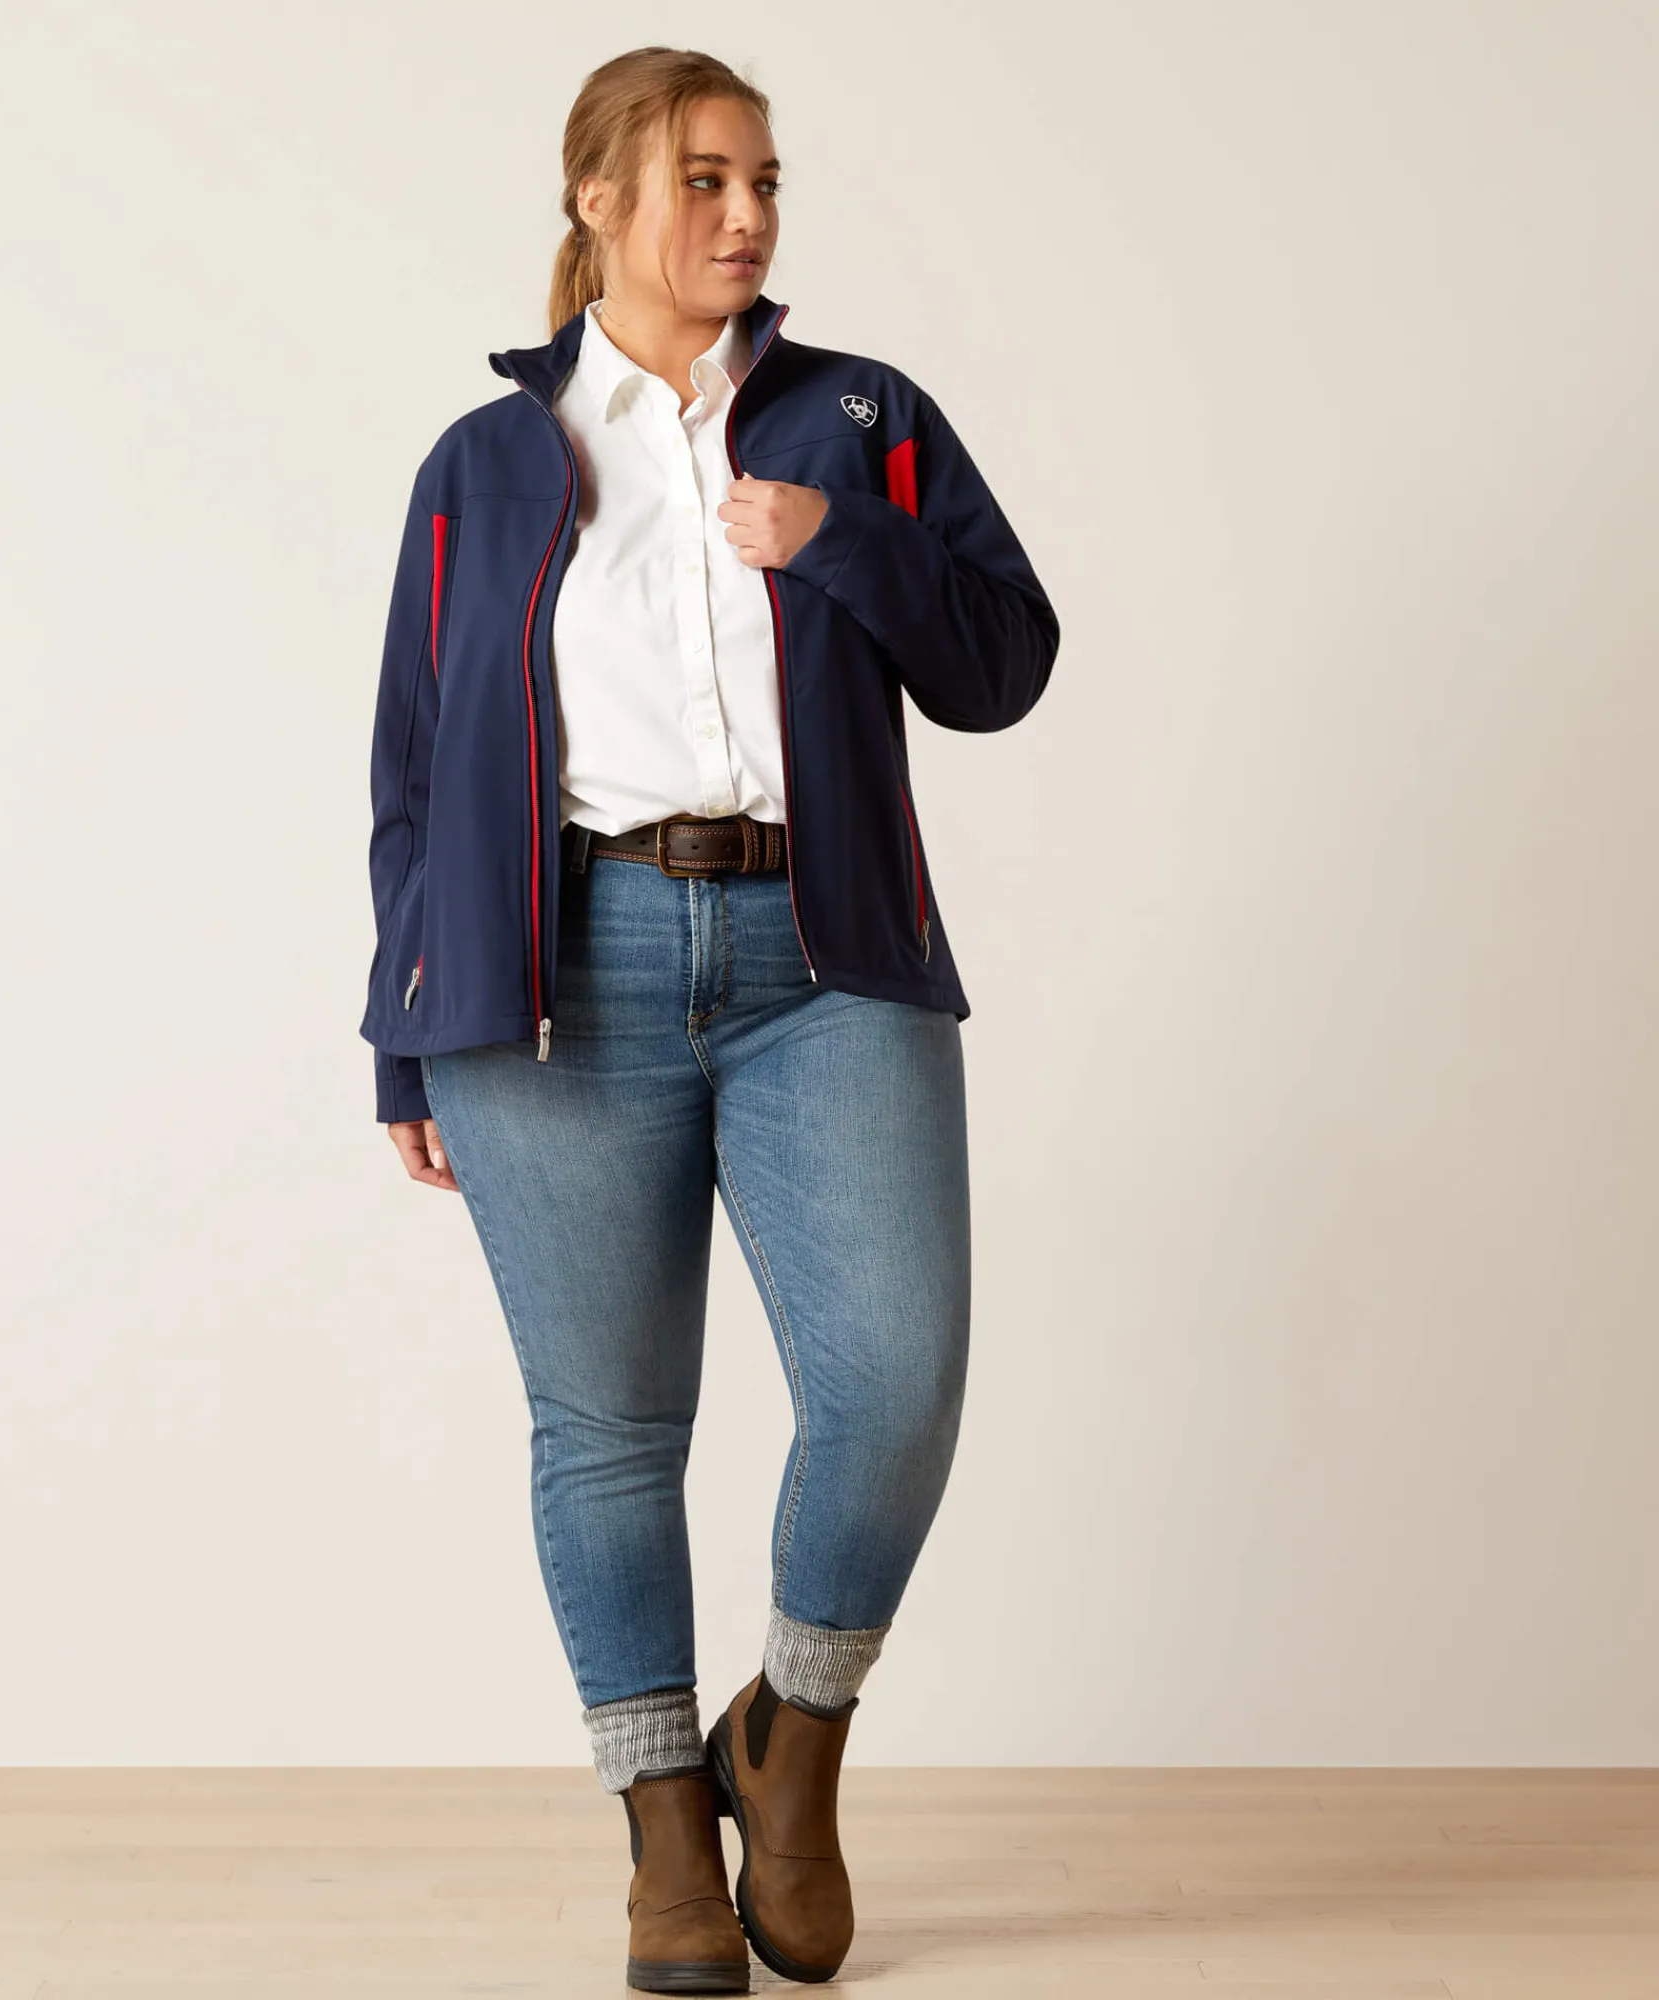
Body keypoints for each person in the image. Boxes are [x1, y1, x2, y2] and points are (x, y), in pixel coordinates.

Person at [359, 44, 1059, 1993]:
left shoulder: (859, 418)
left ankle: (792, 1739)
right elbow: (412, 766)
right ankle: (666, 1828)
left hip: (823, 959)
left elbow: (1004, 662)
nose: (745, 216)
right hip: (548, 982)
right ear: (596, 203)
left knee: (893, 1381)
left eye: (763, 182)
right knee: (606, 1427)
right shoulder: (481, 466)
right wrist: (400, 1031)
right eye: (701, 179)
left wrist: (839, 539)